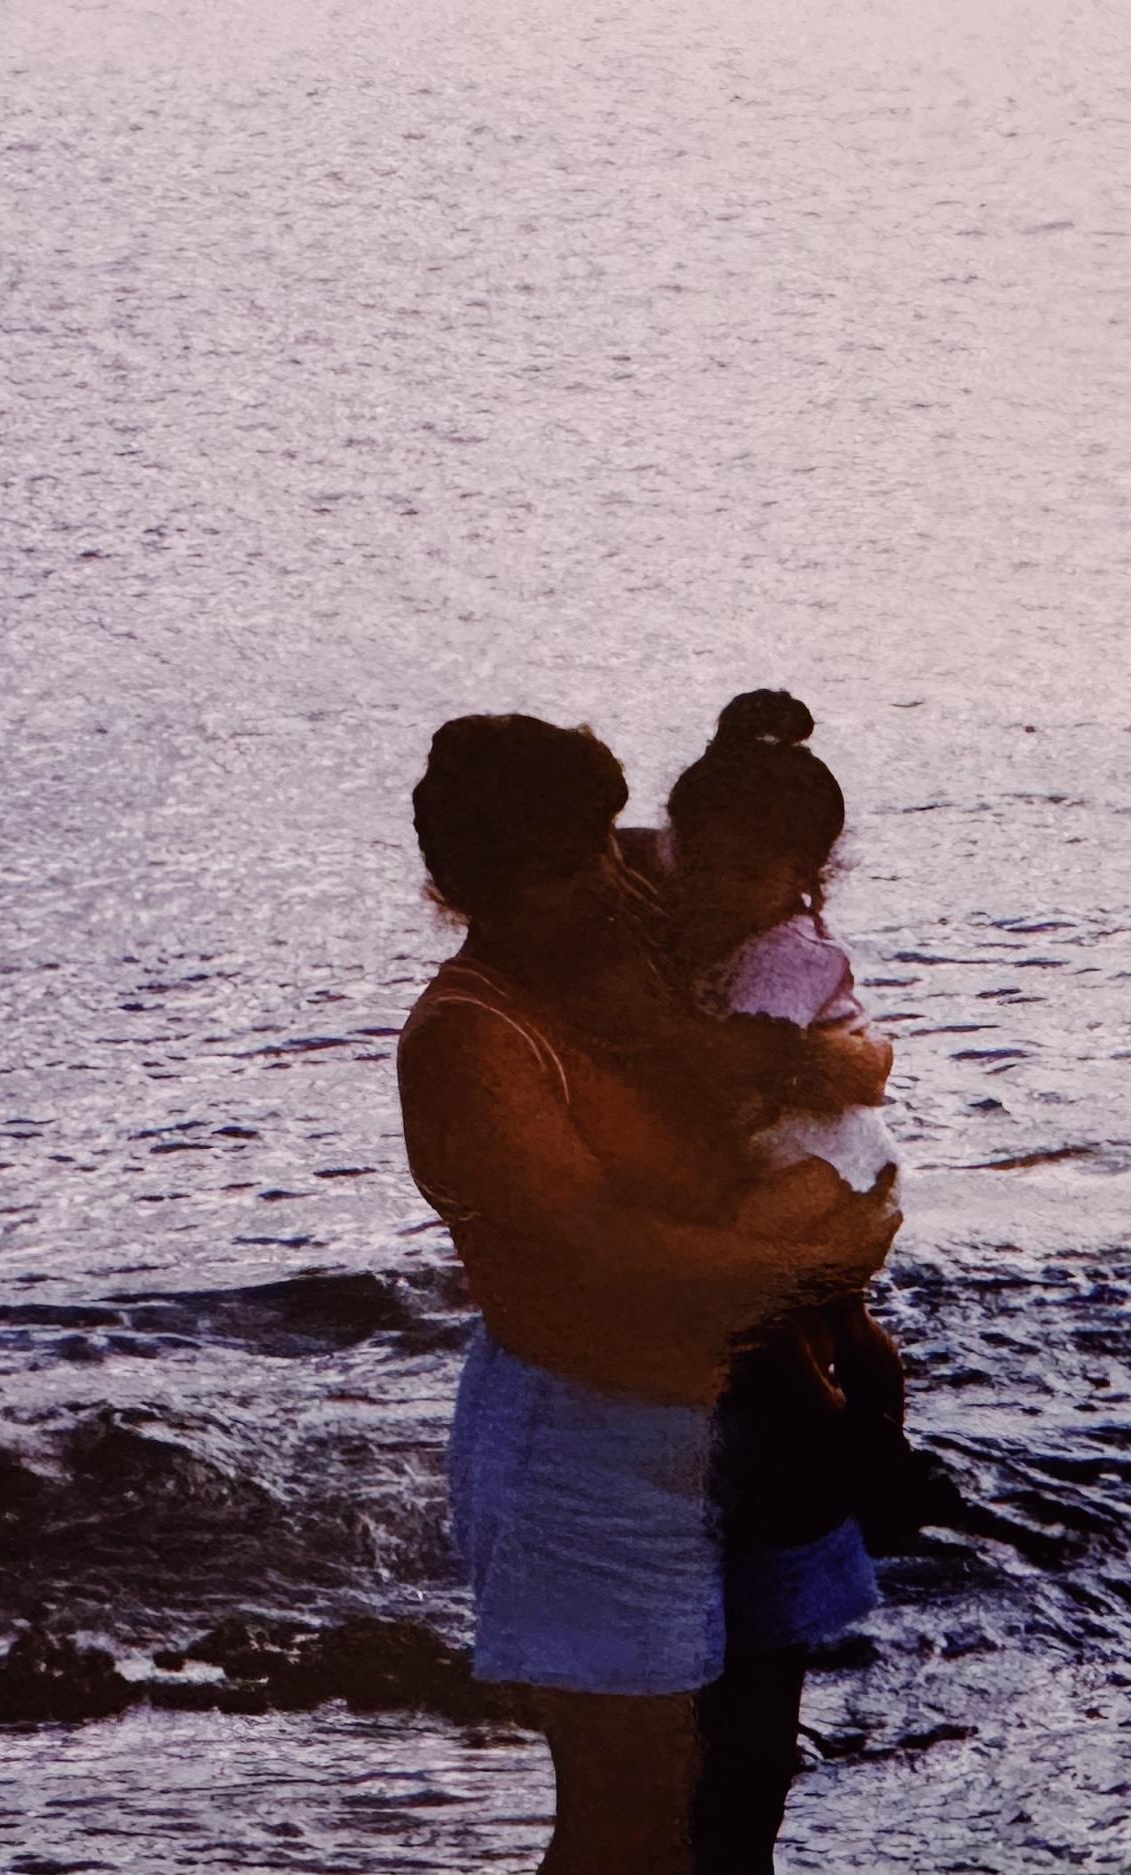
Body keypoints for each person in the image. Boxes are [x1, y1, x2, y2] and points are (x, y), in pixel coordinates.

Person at [394, 714, 899, 1875]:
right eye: (549, 877)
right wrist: (831, 1252)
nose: (597, 890)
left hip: (754, 1410)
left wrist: (833, 1063)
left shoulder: (629, 878)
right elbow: (604, 1255)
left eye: (593, 854)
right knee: (632, 1816)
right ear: (456, 889)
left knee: (748, 1775)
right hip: (595, 1438)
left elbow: (826, 986)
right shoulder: (468, 1037)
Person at [646, 691, 914, 1874]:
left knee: (801, 1290)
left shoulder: (787, 952)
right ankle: (866, 1438)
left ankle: (871, 1440)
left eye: (747, 870)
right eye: (693, 859)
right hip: (802, 1142)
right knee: (808, 1306)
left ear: (807, 876)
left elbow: (743, 1070)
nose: (712, 883)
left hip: (807, 1149)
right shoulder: (674, 897)